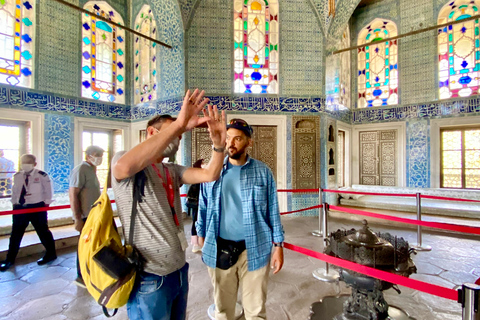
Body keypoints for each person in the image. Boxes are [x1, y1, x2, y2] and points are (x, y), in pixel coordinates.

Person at [111, 89, 227, 320]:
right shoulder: (126, 161)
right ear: (152, 132)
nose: (178, 139)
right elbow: (122, 169)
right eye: (175, 133)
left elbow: (211, 174)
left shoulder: (171, 170)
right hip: (149, 276)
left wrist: (218, 146)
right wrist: (180, 123)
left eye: (181, 135)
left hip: (179, 270)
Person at [197, 118, 285, 320]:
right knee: (223, 311)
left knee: (255, 312)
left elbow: (273, 210)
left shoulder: (263, 172)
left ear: (249, 142)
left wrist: (278, 245)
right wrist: (201, 236)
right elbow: (202, 205)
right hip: (219, 249)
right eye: (228, 138)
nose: (231, 143)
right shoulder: (212, 170)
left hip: (255, 248)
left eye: (238, 139)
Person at [0, 154, 56, 271]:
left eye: (28, 162)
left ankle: (51, 254)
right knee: (16, 234)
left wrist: (46, 204)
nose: (25, 164)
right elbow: (15, 191)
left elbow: (48, 191)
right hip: (20, 208)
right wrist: (15, 203)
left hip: (37, 207)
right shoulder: (17, 176)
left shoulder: (42, 175)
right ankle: (9, 259)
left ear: (34, 164)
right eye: (23, 162)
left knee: (43, 231)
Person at [69, 145, 104, 287]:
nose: (99, 158)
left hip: (93, 214)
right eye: (96, 154)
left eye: (101, 155)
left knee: (93, 245)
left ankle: (92, 273)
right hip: (84, 216)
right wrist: (77, 218)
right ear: (88, 156)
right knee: (84, 245)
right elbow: (73, 194)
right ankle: (81, 276)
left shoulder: (91, 170)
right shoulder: (81, 169)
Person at [187, 159, 203, 253]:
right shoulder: (198, 179)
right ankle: (196, 244)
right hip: (197, 205)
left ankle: (196, 244)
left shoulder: (196, 178)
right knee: (196, 223)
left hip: (197, 204)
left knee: (196, 222)